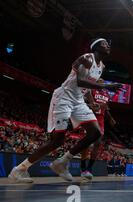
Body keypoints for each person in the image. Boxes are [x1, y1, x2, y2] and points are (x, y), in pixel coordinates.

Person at [8, 39, 122, 183]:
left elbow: (88, 87)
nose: (108, 46)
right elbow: (80, 81)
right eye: (105, 44)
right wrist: (106, 86)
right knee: (57, 141)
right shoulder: (86, 58)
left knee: (95, 133)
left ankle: (62, 162)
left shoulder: (101, 67)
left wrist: (92, 102)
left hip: (78, 100)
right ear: (97, 47)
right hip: (64, 98)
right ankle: (19, 169)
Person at [80, 79, 118, 180]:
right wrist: (91, 106)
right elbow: (82, 103)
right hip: (89, 118)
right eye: (99, 81)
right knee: (86, 144)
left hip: (100, 121)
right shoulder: (91, 91)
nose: (101, 83)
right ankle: (83, 168)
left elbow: (106, 108)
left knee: (98, 143)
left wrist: (110, 118)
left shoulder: (106, 95)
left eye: (102, 82)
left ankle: (89, 169)